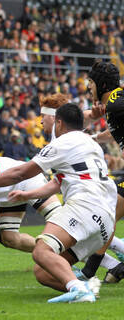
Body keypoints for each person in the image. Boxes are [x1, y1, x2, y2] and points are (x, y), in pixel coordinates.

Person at [0, 103, 116, 303]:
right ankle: (88, 288)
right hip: (106, 219)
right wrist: (28, 195)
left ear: (58, 123)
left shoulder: (62, 143)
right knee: (44, 273)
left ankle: (80, 291)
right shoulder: (91, 144)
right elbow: (58, 182)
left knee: (41, 250)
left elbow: (20, 172)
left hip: (86, 204)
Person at [74, 61, 124, 283]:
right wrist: (94, 138)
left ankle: (89, 272)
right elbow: (113, 130)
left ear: (102, 84)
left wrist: (99, 112)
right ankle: (94, 270)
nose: (88, 87)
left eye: (91, 83)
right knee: (109, 214)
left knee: (109, 214)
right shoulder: (113, 107)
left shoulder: (115, 100)